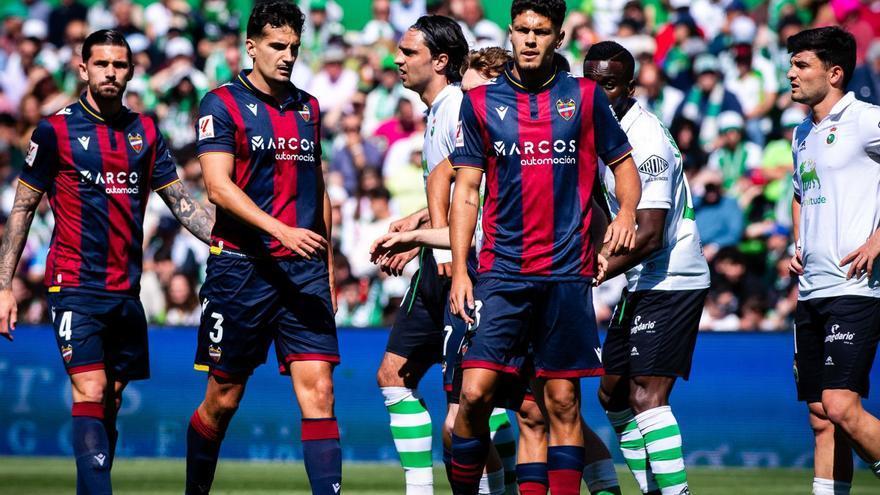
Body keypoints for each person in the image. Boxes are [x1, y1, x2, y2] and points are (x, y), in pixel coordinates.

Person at [0, 29, 214, 494]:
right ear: (83, 69)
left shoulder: (146, 131)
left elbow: (181, 203)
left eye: (119, 65)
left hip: (126, 290)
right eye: (102, 64)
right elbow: (22, 209)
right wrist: (3, 287)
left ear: (132, 71)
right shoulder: (54, 130)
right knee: (92, 390)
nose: (110, 73)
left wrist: (235, 238)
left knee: (111, 400)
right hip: (73, 284)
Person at [447, 0, 642, 492]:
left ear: (558, 38)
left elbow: (624, 168)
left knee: (558, 404)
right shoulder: (480, 103)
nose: (530, 39)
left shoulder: (586, 96)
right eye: (522, 29)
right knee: (473, 395)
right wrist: (459, 271)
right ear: (510, 33)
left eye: (541, 31)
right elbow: (466, 191)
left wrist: (625, 213)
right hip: (501, 272)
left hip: (564, 274)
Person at [185, 3, 340, 494]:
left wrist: (329, 270)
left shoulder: (309, 107)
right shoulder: (221, 103)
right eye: (278, 46)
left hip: (303, 272)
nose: (288, 55)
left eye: (294, 46)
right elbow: (217, 187)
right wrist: (281, 230)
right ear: (250, 46)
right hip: (240, 269)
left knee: (320, 392)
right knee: (223, 399)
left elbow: (320, 190)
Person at [376, 16, 517, 495]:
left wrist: (423, 237)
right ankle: (421, 489)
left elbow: (473, 202)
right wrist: (420, 221)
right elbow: (457, 186)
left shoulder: (458, 105)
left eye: (408, 52)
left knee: (467, 416)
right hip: (436, 264)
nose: (397, 59)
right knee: (394, 376)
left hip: (464, 268)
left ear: (439, 61)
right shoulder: (437, 110)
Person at [584, 41, 711, 495]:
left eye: (611, 85)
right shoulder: (603, 132)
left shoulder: (646, 138)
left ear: (631, 87)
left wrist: (594, 269)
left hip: (672, 274)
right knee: (613, 393)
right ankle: (653, 488)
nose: (600, 94)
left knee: (645, 395)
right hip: (642, 279)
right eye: (591, 84)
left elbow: (651, 232)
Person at [787, 26, 880, 494]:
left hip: (856, 288)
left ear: (836, 73)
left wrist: (879, 239)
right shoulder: (802, 132)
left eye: (802, 65)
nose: (791, 73)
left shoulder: (866, 120)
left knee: (841, 406)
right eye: (792, 64)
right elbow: (801, 194)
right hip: (812, 290)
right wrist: (796, 244)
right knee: (822, 418)